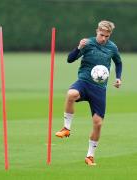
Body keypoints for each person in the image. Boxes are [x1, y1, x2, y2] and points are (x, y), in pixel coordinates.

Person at [55, 20, 122, 166]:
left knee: (98, 124)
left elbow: (118, 62)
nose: (104, 38)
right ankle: (66, 128)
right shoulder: (87, 43)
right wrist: (78, 47)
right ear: (97, 31)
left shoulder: (112, 48)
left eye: (107, 36)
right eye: (101, 34)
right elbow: (69, 59)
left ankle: (90, 156)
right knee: (71, 94)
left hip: (99, 89)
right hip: (84, 82)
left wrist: (118, 78)